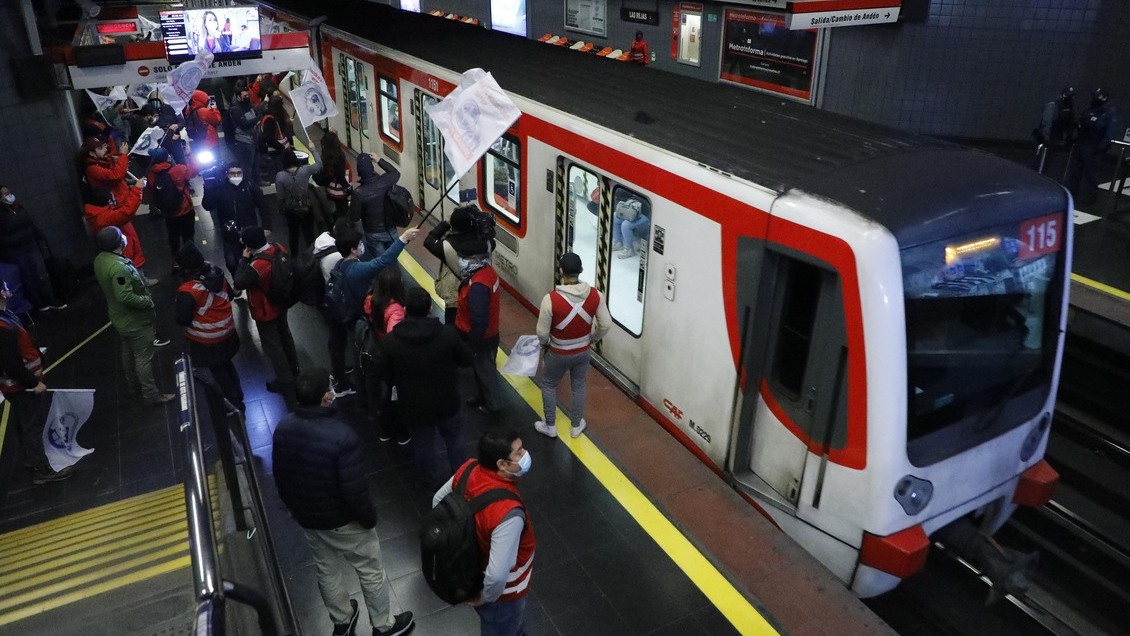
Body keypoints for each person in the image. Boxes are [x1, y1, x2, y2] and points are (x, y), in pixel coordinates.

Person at [273, 368, 415, 636]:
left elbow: (281, 476)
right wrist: (368, 518)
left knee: (326, 569)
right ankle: (383, 625)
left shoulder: (283, 427)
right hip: (343, 520)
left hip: (309, 519)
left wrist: (294, 509)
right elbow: (354, 491)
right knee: (370, 570)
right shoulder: (341, 436)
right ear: (326, 398)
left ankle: (342, 619)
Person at [432, 429, 535, 636]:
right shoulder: (507, 512)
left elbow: (437, 502)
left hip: (473, 568)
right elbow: (497, 576)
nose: (525, 454)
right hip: (505, 594)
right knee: (501, 627)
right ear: (502, 464)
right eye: (519, 452)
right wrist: (484, 597)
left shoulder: (469, 469)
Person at [384, 287, 472, 492]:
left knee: (424, 445)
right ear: (430, 309)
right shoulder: (447, 335)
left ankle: (430, 482)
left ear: (405, 310)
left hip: (414, 404)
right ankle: (462, 479)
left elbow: (384, 374)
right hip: (446, 400)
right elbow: (466, 359)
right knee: (454, 440)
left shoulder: (392, 342)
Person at [323, 226, 418, 397]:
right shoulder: (356, 270)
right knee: (360, 348)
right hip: (354, 316)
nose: (362, 246)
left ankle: (340, 375)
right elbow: (382, 261)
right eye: (359, 244)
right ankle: (362, 387)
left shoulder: (340, 263)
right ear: (353, 249)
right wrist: (403, 239)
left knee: (340, 345)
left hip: (339, 313)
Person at [0, 279, 74, 484]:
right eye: (5, 287)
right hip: (21, 387)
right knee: (32, 425)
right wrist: (33, 383)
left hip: (14, 388)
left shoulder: (6, 317)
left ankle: (30, 458)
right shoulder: (3, 327)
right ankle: (41, 468)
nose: (9, 290)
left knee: (23, 423)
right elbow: (12, 364)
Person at [532, 253, 611, 440]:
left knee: (549, 384)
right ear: (581, 271)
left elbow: (542, 333)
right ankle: (576, 426)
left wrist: (546, 345)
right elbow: (606, 324)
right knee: (578, 386)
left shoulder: (550, 300)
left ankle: (550, 425)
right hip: (583, 351)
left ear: (561, 271)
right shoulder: (595, 295)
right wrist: (592, 338)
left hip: (558, 351)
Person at [93, 226, 175, 406]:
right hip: (135, 320)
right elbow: (125, 295)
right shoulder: (119, 268)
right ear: (118, 242)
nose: (124, 237)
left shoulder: (101, 259)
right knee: (143, 358)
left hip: (119, 318)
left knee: (128, 352)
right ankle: (151, 394)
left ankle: (133, 386)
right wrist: (147, 301)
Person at [233, 227, 299, 406]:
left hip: (265, 309)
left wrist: (243, 260)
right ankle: (294, 368)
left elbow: (239, 282)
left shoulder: (257, 265)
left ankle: (285, 380)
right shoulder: (279, 247)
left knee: (273, 346)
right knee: (285, 336)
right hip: (281, 302)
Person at [173, 243, 243, 411]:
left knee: (218, 371)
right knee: (227, 364)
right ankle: (238, 395)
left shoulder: (188, 290)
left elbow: (182, 319)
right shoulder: (217, 274)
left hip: (207, 341)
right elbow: (231, 295)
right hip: (228, 332)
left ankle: (233, 404)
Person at [360, 266, 410, 444]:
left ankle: (384, 428)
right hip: (391, 357)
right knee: (394, 394)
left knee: (383, 392)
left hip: (376, 349)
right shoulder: (396, 309)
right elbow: (393, 336)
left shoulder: (371, 299)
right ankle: (399, 430)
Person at [424, 206, 493, 325]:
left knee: (453, 327)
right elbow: (490, 236)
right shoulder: (486, 244)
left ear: (453, 225)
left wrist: (445, 223)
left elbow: (429, 240)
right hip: (480, 292)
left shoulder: (446, 247)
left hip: (456, 298)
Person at [0, 186, 65, 311]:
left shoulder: (18, 206)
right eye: (5, 194)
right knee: (29, 277)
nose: (9, 195)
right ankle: (39, 302)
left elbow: (30, 223)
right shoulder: (4, 214)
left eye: (9, 192)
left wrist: (40, 235)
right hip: (16, 250)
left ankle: (50, 299)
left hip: (30, 244)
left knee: (42, 273)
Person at [454, 253, 503, 414]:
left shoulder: (478, 286)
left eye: (465, 257)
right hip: (489, 334)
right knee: (482, 371)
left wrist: (472, 345)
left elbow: (480, 319)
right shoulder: (488, 272)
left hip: (481, 338)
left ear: (475, 260)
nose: (462, 260)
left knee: (486, 372)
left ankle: (493, 406)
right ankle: (482, 398)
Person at [202, 162, 271, 276]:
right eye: (232, 173)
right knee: (231, 261)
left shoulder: (250, 185)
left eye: (238, 173)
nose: (236, 176)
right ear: (227, 174)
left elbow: (263, 205)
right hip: (229, 232)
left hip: (249, 229)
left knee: (255, 258)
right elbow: (207, 206)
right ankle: (237, 279)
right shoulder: (220, 188)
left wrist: (267, 226)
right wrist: (208, 189)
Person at [84, 183, 159, 287]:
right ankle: (140, 285)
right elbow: (126, 211)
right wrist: (137, 189)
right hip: (124, 248)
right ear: (108, 201)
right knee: (131, 268)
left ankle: (139, 283)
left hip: (124, 244)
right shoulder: (104, 217)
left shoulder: (99, 212)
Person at [145, 147, 200, 258]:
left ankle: (176, 261)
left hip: (168, 214)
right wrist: (189, 154)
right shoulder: (178, 169)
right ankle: (190, 258)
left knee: (173, 237)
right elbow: (196, 168)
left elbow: (152, 194)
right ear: (168, 157)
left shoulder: (151, 175)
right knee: (188, 236)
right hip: (185, 210)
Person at [1068, 88, 1119, 204]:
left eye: (1097, 96)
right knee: (1075, 172)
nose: (1094, 98)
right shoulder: (1090, 109)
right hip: (1081, 144)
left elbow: (1109, 133)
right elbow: (1081, 123)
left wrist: (1100, 148)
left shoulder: (1108, 113)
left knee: (1091, 174)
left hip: (1093, 147)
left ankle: (1090, 199)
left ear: (1104, 98)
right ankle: (1072, 195)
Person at [350, 153, 402, 259]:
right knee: (393, 257)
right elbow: (395, 173)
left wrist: (361, 236)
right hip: (390, 228)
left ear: (359, 172)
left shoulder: (358, 193)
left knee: (381, 261)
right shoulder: (385, 181)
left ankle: (386, 274)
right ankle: (395, 273)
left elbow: (355, 218)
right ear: (372, 168)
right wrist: (379, 160)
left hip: (372, 233)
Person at [275, 148, 322, 253]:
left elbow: (281, 197)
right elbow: (319, 164)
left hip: (290, 209)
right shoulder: (305, 170)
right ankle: (312, 256)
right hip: (306, 206)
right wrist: (313, 149)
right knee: (309, 234)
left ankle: (295, 257)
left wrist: (279, 210)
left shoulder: (280, 176)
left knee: (293, 234)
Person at [314, 130, 352, 222]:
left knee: (333, 212)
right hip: (340, 193)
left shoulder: (325, 157)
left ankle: (333, 227)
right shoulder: (339, 156)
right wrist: (348, 189)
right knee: (343, 213)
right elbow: (341, 176)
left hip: (330, 191)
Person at [227, 81, 261, 178]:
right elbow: (244, 124)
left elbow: (255, 112)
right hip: (243, 141)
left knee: (255, 162)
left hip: (253, 139)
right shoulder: (235, 109)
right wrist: (257, 118)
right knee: (246, 166)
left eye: (247, 95)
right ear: (238, 96)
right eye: (244, 95)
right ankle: (248, 185)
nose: (247, 97)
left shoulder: (248, 104)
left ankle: (256, 182)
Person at [82, 136, 130, 203]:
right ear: (92, 153)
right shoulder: (93, 169)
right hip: (116, 202)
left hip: (122, 196)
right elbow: (116, 175)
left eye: (104, 146)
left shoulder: (103, 160)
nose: (105, 149)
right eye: (100, 148)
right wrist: (123, 156)